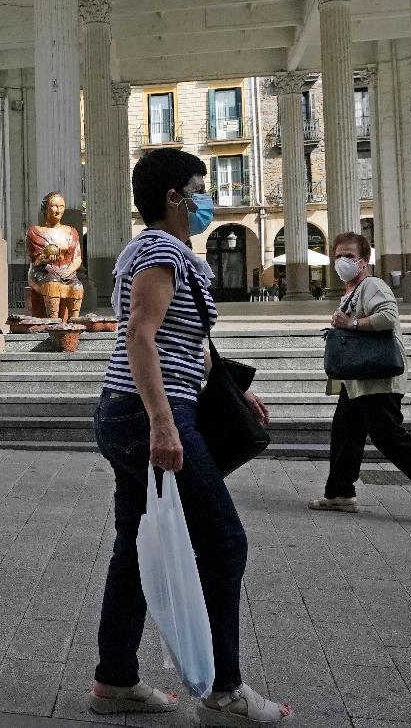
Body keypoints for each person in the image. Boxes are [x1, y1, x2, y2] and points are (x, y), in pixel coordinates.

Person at [90, 148, 292, 725]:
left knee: (133, 546)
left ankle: (115, 680)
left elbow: (187, 342)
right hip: (148, 414)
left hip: (134, 410)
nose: (209, 199)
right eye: (200, 189)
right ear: (174, 198)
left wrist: (231, 389)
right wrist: (163, 423)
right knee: (224, 541)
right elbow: (140, 337)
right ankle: (225, 692)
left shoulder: (166, 254)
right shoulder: (160, 253)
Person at [310, 232, 411, 525]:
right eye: (337, 256)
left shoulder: (373, 285)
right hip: (359, 381)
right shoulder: (353, 290)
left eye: (349, 256)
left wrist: (352, 323)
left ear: (364, 260)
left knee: (389, 437)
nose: (342, 261)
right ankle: (339, 493)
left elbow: (388, 317)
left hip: (378, 378)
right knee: (345, 432)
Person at [26, 192, 85, 321]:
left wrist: (69, 271)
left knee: (77, 287)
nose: (58, 210)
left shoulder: (72, 231)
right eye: (54, 206)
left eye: (61, 206)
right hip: (45, 272)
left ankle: (74, 322)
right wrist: (45, 258)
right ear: (46, 208)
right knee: (52, 285)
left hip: (67, 273)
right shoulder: (35, 231)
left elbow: (77, 258)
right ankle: (53, 321)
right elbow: (35, 261)